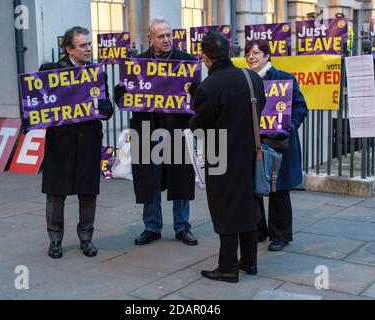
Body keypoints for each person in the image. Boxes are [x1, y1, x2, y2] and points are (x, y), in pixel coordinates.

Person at [114, 18, 198, 246]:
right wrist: (121, 92)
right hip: (147, 131)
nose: (166, 40)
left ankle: (182, 227)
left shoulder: (188, 62)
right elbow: (122, 96)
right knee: (149, 179)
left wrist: (197, 92)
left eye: (169, 35)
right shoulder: (136, 63)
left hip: (178, 130)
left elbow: (198, 98)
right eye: (161, 36)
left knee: (181, 179)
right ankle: (152, 227)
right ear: (150, 38)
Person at [190, 32, 265, 283]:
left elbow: (199, 127)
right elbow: (259, 108)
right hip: (251, 151)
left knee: (225, 209)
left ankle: (228, 267)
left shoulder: (209, 86)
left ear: (205, 57)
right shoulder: (251, 77)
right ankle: (249, 261)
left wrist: (195, 100)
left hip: (221, 154)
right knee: (247, 205)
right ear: (230, 53)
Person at [38, 26, 114, 259]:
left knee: (88, 192)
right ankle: (55, 240)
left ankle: (86, 238)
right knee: (56, 193)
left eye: (89, 44)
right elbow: (38, 103)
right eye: (83, 45)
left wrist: (105, 108)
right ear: (69, 49)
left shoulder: (98, 72)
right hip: (61, 144)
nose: (89, 49)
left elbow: (107, 107)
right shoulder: (50, 71)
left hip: (89, 141)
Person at [245, 39, 308, 251]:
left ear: (267, 55)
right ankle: (259, 230)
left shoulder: (284, 78)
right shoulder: (246, 80)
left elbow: (301, 107)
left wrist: (288, 127)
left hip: (279, 143)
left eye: (255, 53)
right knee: (254, 187)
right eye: (248, 53)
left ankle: (280, 236)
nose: (251, 57)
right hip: (254, 142)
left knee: (278, 189)